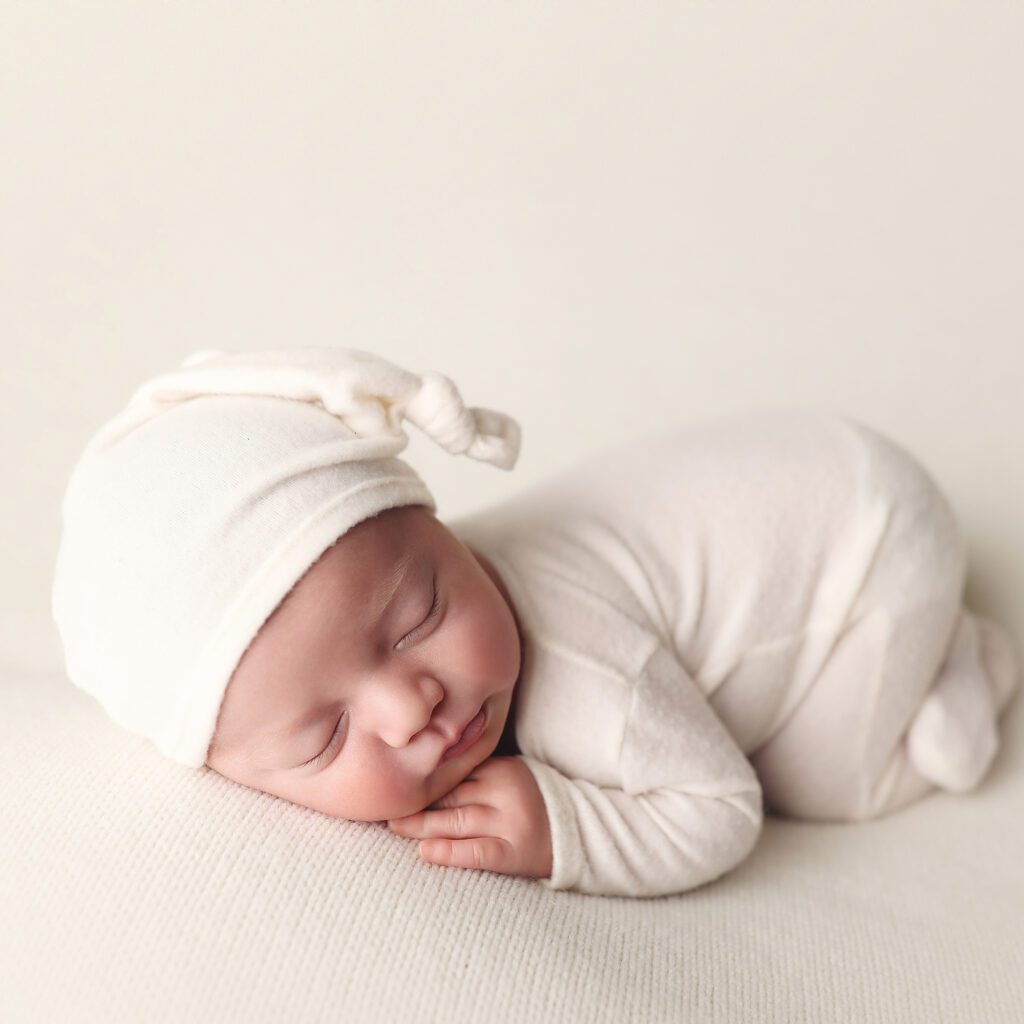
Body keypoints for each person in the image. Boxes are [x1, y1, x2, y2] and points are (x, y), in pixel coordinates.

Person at [51, 348, 1018, 898]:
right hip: (796, 478)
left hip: (870, 531)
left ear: (433, 522)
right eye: (326, 734)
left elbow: (723, 809)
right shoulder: (376, 603)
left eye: (418, 613)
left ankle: (965, 669)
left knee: (818, 777)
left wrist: (568, 831)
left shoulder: (593, 676)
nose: (409, 703)